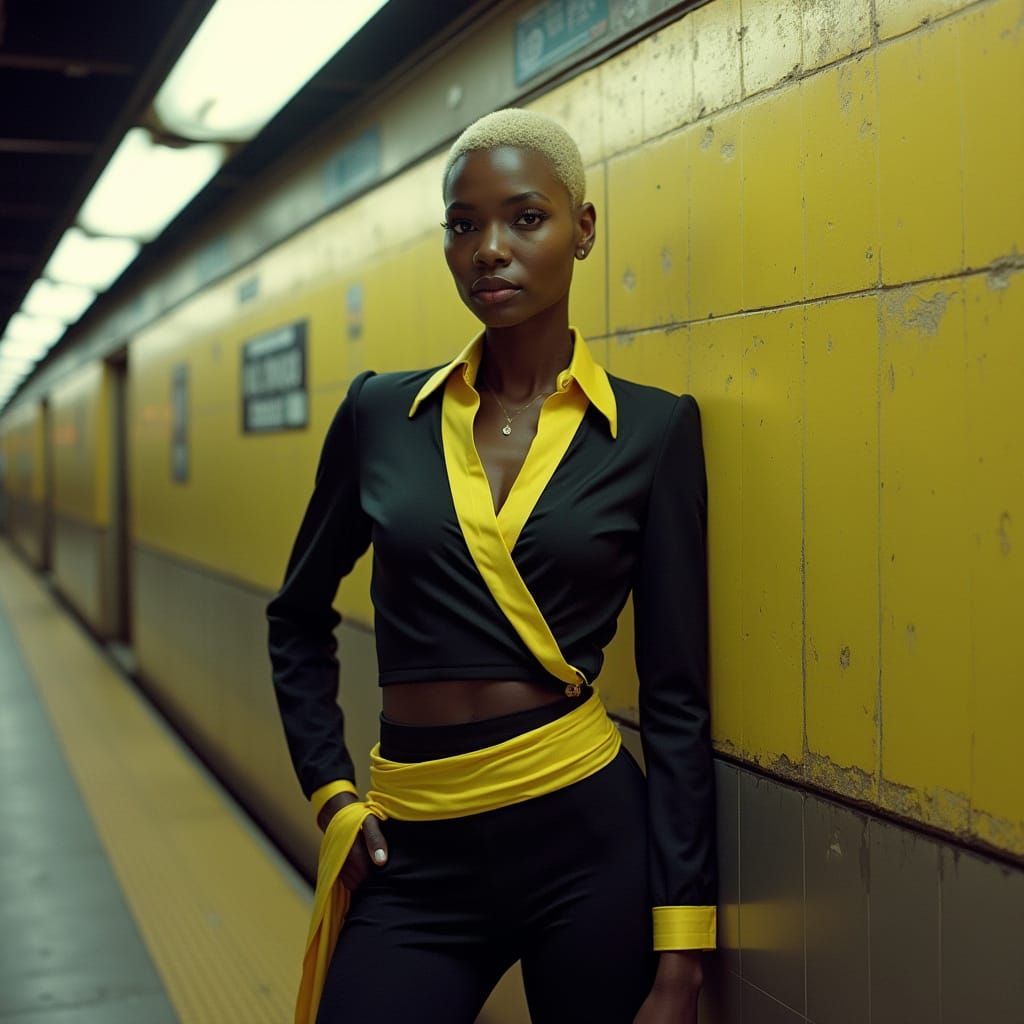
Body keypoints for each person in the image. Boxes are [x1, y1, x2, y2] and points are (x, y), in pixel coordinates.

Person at [267, 108, 717, 1024]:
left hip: (585, 837)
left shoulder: (653, 431)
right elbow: (296, 615)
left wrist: (683, 952)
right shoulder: (378, 417)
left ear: (582, 229)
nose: (490, 250)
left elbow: (676, 699)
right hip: (412, 847)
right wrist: (330, 791)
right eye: (463, 226)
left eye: (525, 218)